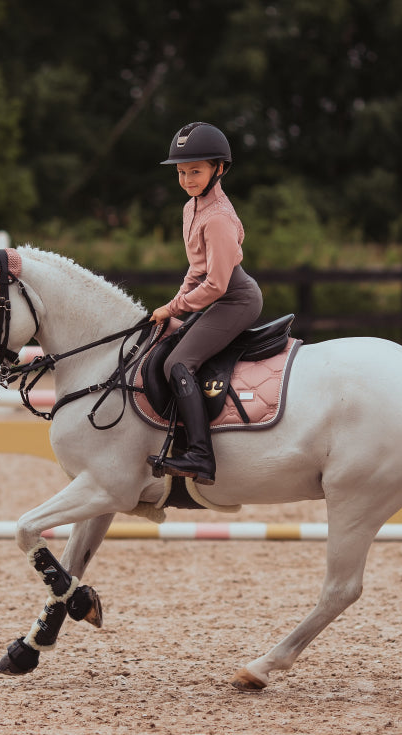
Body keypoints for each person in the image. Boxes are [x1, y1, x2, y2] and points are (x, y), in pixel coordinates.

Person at [148, 121, 263, 486]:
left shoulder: (218, 218)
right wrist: (174, 303)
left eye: (195, 171)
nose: (186, 179)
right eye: (181, 172)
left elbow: (216, 284)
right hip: (215, 297)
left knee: (179, 362)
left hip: (235, 300)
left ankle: (200, 455)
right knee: (166, 348)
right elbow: (195, 271)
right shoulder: (191, 208)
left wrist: (174, 308)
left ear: (219, 168)